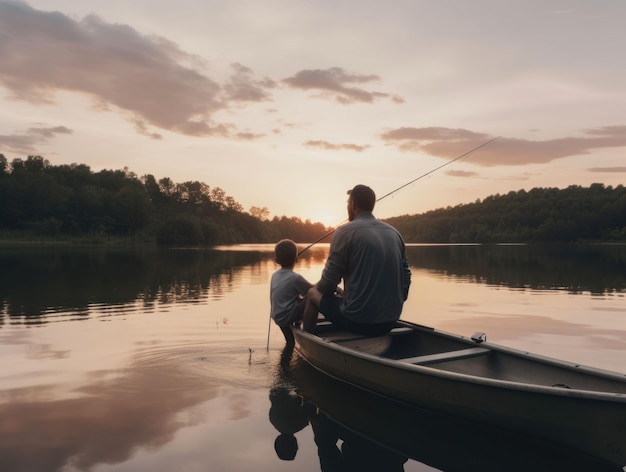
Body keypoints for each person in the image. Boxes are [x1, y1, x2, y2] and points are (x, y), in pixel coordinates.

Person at [303, 184, 411, 335]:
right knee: (341, 296)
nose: (347, 205)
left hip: (356, 320)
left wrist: (316, 289)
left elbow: (327, 285)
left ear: (352, 204)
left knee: (312, 294)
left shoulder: (344, 232)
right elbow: (406, 276)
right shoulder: (395, 233)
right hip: (390, 320)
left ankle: (307, 343)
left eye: (348, 202)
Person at [270, 239, 314, 345]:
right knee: (312, 296)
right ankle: (308, 333)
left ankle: (287, 356)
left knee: (290, 342)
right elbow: (313, 291)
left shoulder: (274, 275)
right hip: (287, 316)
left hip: (277, 316)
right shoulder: (295, 278)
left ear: (276, 260)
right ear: (296, 259)